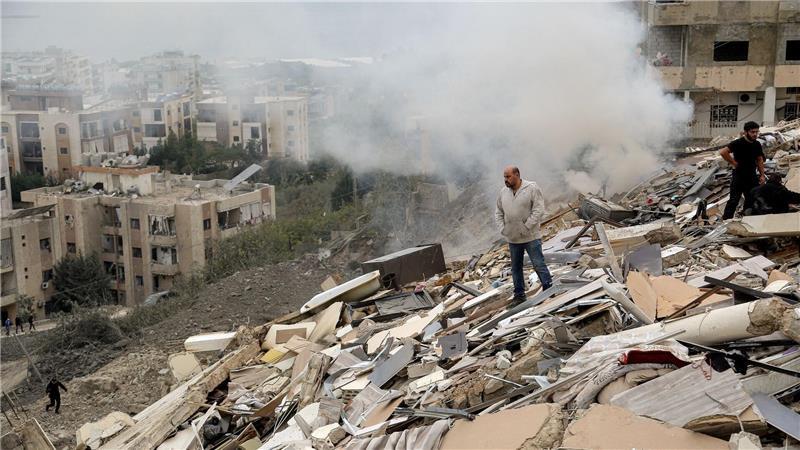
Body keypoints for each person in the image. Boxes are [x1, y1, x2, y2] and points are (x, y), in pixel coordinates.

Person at [495, 166, 553, 303]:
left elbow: (538, 209)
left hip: (530, 236)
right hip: (513, 238)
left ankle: (549, 289)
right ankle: (519, 295)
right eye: (504, 177)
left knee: (538, 264)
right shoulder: (503, 192)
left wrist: (527, 227)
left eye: (508, 176)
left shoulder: (531, 188)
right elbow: (498, 212)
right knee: (516, 268)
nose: (505, 180)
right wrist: (502, 229)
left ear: (517, 175)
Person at [720, 121, 766, 219]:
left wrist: (762, 175)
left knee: (751, 199)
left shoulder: (757, 144)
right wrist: (733, 163)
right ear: (746, 132)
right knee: (734, 200)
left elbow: (759, 159)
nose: (755, 134)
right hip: (739, 176)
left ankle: (746, 219)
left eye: (756, 132)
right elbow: (723, 152)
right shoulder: (738, 143)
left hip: (752, 176)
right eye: (752, 132)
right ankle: (726, 221)